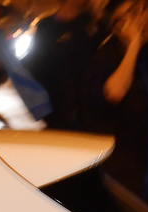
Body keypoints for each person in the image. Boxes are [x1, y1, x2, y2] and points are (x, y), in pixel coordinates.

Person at [84, 0, 148, 212]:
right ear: (117, 26)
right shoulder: (105, 59)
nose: (142, 16)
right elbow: (114, 92)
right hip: (126, 180)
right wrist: (134, 43)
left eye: (142, 9)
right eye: (133, 13)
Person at [24, 0, 101, 129]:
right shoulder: (46, 26)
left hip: (86, 114)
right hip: (56, 112)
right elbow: (37, 67)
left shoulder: (91, 26)